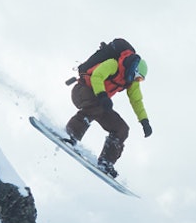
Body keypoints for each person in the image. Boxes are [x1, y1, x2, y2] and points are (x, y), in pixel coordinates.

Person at [65, 45, 152, 177]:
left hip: (99, 102)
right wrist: (102, 95)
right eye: (138, 77)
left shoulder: (131, 82)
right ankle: (71, 135)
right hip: (82, 91)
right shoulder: (114, 64)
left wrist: (144, 121)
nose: (137, 81)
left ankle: (106, 162)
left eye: (140, 80)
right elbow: (97, 76)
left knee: (121, 128)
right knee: (97, 106)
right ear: (134, 69)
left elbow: (137, 101)